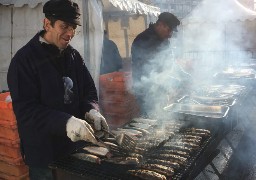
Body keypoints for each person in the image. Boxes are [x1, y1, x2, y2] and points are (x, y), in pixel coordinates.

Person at [7, 0, 109, 179]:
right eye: (64, 26)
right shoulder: (24, 61)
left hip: (73, 148)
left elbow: (88, 91)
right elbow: (26, 111)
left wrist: (91, 110)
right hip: (43, 154)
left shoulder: (74, 56)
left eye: (73, 27)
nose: (70, 33)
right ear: (47, 24)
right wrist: (66, 122)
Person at [131, 12, 190, 116]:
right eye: (169, 30)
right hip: (146, 92)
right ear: (161, 25)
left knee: (162, 117)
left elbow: (170, 62)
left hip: (160, 90)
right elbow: (148, 71)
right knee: (151, 118)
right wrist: (172, 79)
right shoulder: (143, 39)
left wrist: (184, 75)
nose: (170, 34)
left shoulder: (164, 40)